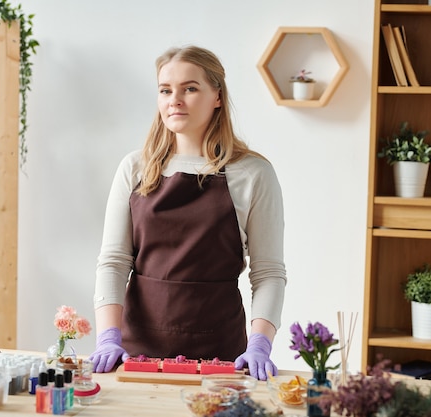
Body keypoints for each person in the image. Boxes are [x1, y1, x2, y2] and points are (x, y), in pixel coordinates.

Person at [88, 45, 286, 381]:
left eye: (190, 89)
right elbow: (114, 261)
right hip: (137, 353)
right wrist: (108, 337)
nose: (174, 100)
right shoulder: (135, 168)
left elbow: (268, 272)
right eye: (166, 90)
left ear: (217, 97)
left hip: (221, 354)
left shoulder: (253, 173)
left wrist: (260, 343)